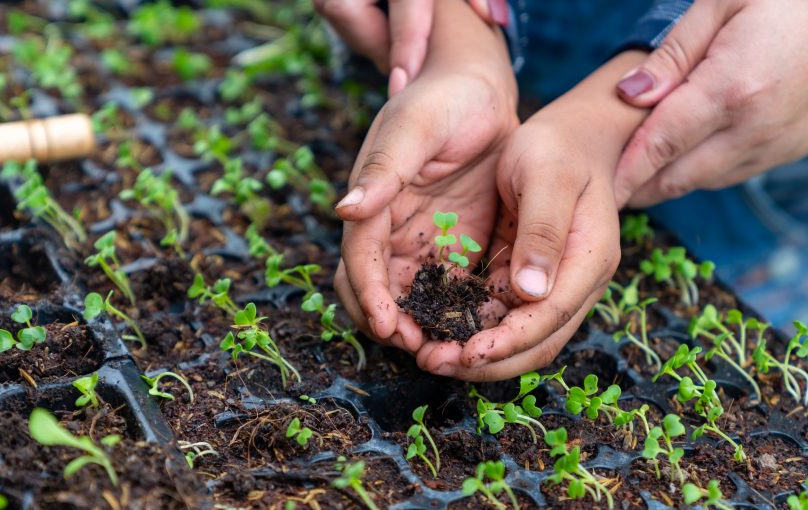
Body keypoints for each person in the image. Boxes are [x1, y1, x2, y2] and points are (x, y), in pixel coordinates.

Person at [319, 0, 808, 381]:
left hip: (752, 124)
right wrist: (460, 50)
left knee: (734, 321)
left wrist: (602, 124)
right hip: (531, 33)